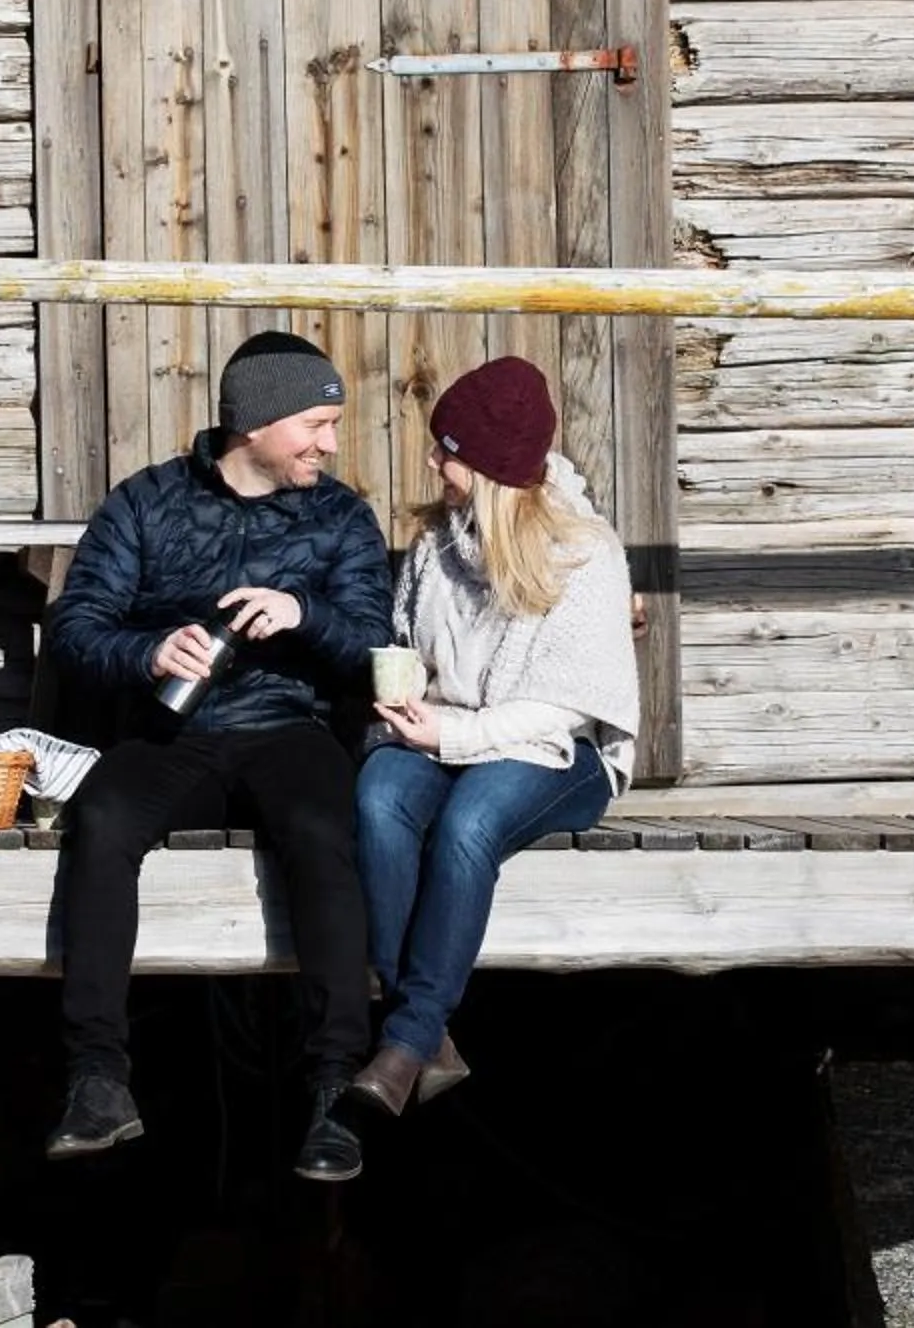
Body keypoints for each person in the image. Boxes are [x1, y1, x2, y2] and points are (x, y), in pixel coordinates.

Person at [40, 331, 394, 1181]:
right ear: (257, 423)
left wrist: (305, 614)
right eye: (315, 422)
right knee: (102, 816)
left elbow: (376, 647)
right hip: (171, 734)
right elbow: (78, 626)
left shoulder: (339, 516)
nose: (330, 442)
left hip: (288, 729)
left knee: (322, 828)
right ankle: (97, 1078)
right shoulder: (146, 504)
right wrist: (150, 653)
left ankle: (335, 1086)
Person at [345, 356, 638, 1116]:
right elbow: (408, 639)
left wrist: (449, 731)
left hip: (556, 753)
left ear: (483, 463)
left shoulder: (586, 554)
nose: (435, 462)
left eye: (447, 449)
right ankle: (428, 1040)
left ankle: (405, 1040)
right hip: (445, 734)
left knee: (471, 824)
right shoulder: (439, 547)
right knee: (378, 795)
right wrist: (404, 698)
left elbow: (561, 711)